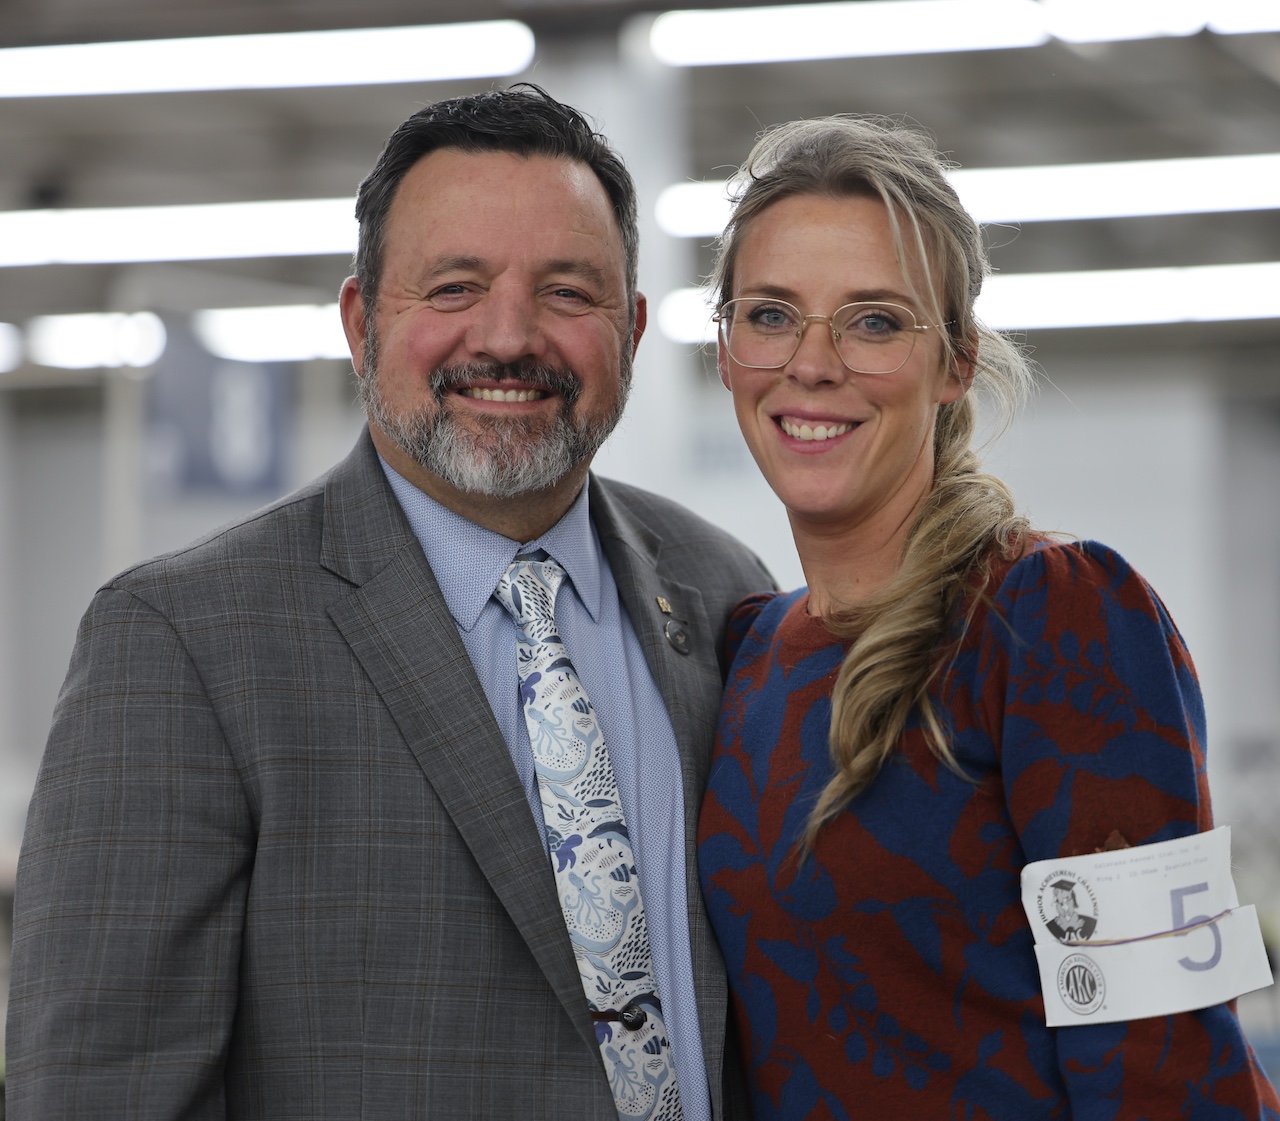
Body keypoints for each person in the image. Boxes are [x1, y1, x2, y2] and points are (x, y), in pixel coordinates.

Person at [7, 86, 771, 1120]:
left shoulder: (721, 590)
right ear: (361, 323)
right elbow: (105, 1090)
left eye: (566, 291)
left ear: (630, 330)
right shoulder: (183, 644)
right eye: (454, 287)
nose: (509, 336)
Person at [696, 115, 1280, 1119]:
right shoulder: (749, 648)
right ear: (724, 348)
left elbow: (1164, 1054)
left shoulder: (1050, 615)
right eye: (771, 314)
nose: (812, 361)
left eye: (874, 321)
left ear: (955, 360)